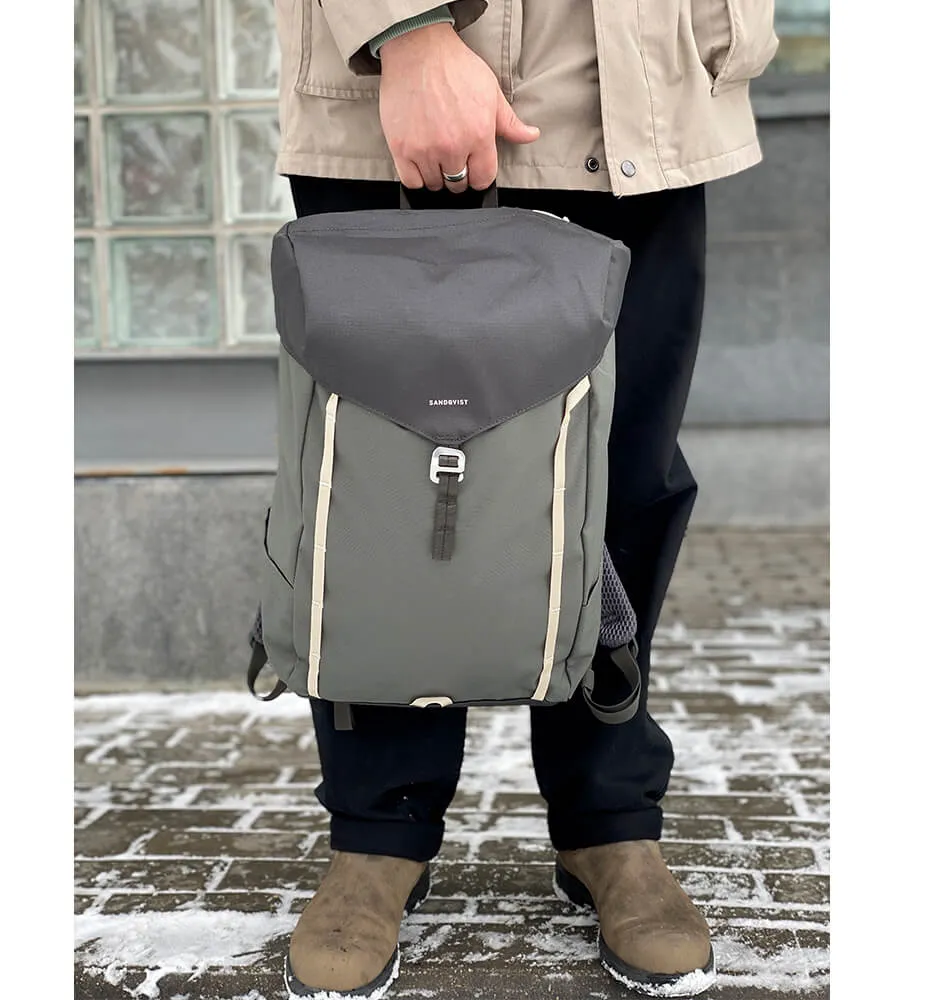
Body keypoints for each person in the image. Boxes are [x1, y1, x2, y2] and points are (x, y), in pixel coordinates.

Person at [271, 2, 779, 997]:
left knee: (618, 477)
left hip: (643, 80)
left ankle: (609, 821)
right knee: (382, 492)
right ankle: (379, 828)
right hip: (405, 83)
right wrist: (406, 34)